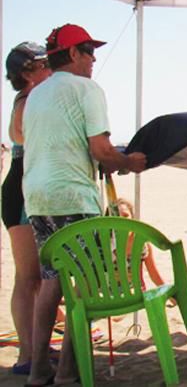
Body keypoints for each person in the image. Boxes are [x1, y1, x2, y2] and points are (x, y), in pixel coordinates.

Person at [22, 24, 147, 387]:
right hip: (73, 196)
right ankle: (67, 372)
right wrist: (129, 161)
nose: (94, 59)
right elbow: (101, 150)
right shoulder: (86, 88)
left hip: (38, 198)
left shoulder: (37, 94)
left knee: (52, 281)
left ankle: (38, 369)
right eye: (89, 50)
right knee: (86, 285)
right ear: (73, 53)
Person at [2, 42, 51, 376]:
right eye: (44, 64)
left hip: (26, 189)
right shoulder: (27, 100)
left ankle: (35, 352)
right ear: (27, 72)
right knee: (29, 277)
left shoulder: (36, 97)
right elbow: (23, 137)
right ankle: (27, 356)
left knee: (35, 278)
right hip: (20, 193)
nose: (50, 68)